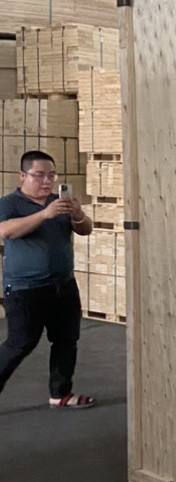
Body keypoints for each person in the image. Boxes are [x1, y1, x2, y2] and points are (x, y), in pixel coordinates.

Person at [0, 150, 95, 408]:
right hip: (25, 288)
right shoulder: (9, 203)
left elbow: (86, 229)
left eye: (51, 175)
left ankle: (60, 394)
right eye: (39, 175)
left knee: (66, 340)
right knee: (19, 343)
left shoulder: (60, 202)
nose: (46, 181)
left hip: (63, 285)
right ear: (22, 176)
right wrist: (44, 214)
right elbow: (6, 231)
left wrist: (77, 214)